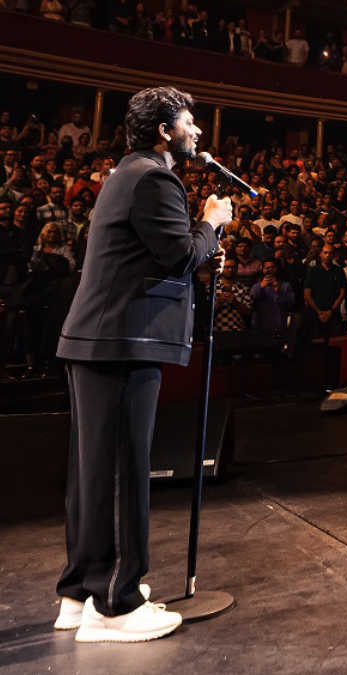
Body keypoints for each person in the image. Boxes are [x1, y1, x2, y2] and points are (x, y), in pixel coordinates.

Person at [54, 87, 226, 642]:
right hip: (123, 340)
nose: (197, 131)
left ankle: (81, 593)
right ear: (164, 131)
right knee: (125, 470)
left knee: (93, 472)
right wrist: (211, 222)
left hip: (99, 339)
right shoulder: (154, 178)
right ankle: (116, 604)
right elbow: (178, 253)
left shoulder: (127, 173)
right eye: (189, 122)